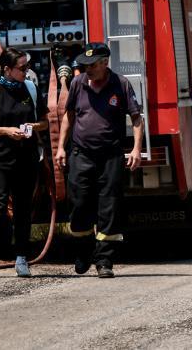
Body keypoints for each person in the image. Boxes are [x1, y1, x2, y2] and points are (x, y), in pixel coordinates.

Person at [54, 42, 143, 278]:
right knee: (79, 204)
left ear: (105, 63)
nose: (87, 70)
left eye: (92, 65)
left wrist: (136, 149)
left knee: (108, 208)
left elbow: (136, 118)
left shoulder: (121, 84)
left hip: (110, 156)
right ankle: (84, 252)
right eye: (84, 65)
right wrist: (61, 148)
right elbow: (69, 116)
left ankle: (104, 261)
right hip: (81, 154)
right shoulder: (77, 83)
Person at [0, 48, 48, 278]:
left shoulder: (32, 89)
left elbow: (44, 122)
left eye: (27, 67)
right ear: (7, 69)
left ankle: (22, 258)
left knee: (23, 210)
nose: (27, 71)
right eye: (22, 68)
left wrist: (32, 127)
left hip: (25, 160)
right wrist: (6, 131)